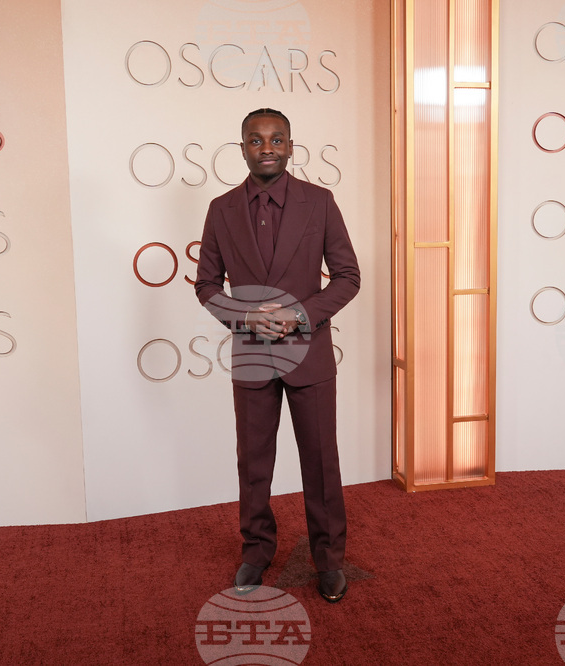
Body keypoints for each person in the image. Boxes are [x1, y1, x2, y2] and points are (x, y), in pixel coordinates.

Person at [194, 108, 360, 602]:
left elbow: (348, 276)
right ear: (242, 146)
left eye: (277, 139)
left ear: (290, 145)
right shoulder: (221, 209)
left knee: (321, 462)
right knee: (254, 463)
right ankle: (256, 553)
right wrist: (245, 317)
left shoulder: (321, 203)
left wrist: (300, 314)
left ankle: (328, 559)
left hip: (308, 353)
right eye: (256, 139)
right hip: (251, 355)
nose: (267, 147)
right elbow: (205, 285)